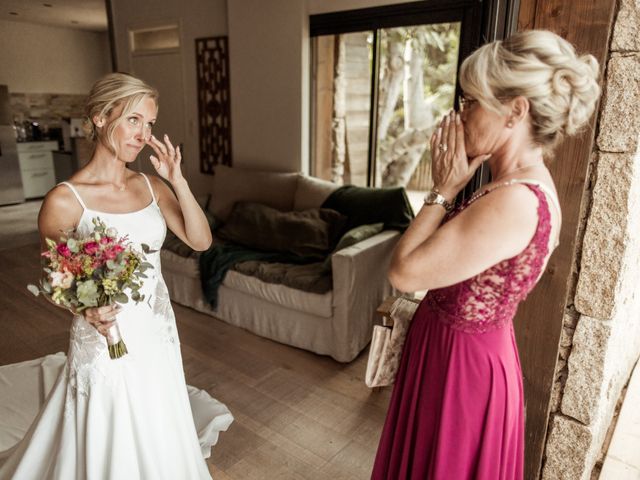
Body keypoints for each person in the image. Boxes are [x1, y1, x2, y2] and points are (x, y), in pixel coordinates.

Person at [371, 30, 600, 479]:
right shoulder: (505, 184)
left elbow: (404, 272)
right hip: (449, 353)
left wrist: (443, 189)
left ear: (516, 110)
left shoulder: (516, 200)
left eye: (471, 101)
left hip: (463, 372)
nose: (461, 115)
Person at [0, 72, 232, 479]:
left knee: (155, 419)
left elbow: (201, 241)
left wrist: (176, 180)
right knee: (109, 431)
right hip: (104, 338)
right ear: (102, 117)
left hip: (157, 332)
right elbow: (57, 279)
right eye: (134, 120)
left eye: (150, 124)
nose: (143, 134)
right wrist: (87, 311)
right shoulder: (64, 200)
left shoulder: (151, 185)